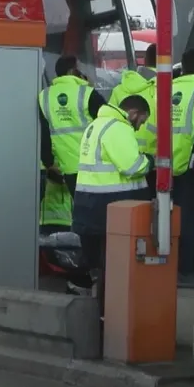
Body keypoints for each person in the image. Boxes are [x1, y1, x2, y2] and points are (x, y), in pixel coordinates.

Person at [72, 95, 153, 296]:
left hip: (89, 204)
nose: (140, 127)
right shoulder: (118, 128)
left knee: (94, 262)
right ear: (133, 113)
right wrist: (148, 161)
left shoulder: (96, 125)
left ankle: (85, 299)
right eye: (141, 120)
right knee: (112, 264)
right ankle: (107, 310)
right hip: (110, 206)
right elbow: (131, 166)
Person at [39, 55, 106, 199]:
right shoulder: (87, 93)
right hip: (92, 164)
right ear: (71, 71)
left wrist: (49, 162)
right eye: (80, 69)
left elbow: (43, 133)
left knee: (80, 210)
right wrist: (91, 86)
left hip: (67, 167)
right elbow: (108, 122)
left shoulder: (44, 96)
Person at [171, 48, 194, 280]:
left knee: (167, 213)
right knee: (188, 215)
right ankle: (186, 267)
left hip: (165, 160)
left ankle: (168, 262)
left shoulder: (167, 87)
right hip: (193, 159)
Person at [110, 44, 160, 190]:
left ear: (145, 60)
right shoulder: (165, 87)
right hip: (151, 162)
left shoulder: (119, 89)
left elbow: (110, 122)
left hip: (121, 158)